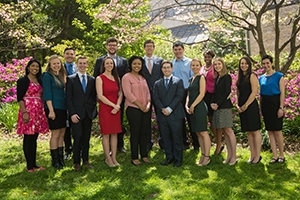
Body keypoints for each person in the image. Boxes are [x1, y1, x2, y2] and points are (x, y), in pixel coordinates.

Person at [94, 37, 128, 153]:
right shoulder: (99, 60)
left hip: (118, 97)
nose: (112, 47)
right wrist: (98, 97)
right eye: (110, 45)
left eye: (114, 45)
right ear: (106, 46)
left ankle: (120, 145)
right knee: (107, 124)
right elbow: (95, 77)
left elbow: (125, 79)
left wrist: (120, 99)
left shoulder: (123, 61)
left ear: (117, 47)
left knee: (118, 121)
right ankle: (108, 148)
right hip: (105, 98)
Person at [17, 58, 49, 172]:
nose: (35, 68)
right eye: (33, 66)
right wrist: (24, 112)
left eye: (37, 67)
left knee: (35, 137)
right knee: (28, 137)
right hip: (28, 111)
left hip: (38, 111)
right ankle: (29, 165)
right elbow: (20, 98)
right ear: (28, 67)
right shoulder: (23, 80)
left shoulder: (39, 80)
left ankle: (34, 163)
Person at [66, 56, 97, 171]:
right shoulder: (71, 79)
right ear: (77, 65)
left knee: (86, 138)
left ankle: (86, 160)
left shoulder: (92, 79)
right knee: (77, 137)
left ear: (87, 65)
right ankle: (76, 162)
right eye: (80, 63)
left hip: (88, 114)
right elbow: (68, 99)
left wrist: (93, 111)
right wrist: (72, 113)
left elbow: (93, 97)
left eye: (85, 63)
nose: (83, 65)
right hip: (76, 114)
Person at [153, 60, 185, 167]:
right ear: (162, 69)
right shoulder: (157, 83)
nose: (166, 69)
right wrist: (163, 108)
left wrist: (170, 109)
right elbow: (156, 97)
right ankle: (169, 157)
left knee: (177, 138)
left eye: (168, 67)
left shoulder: (178, 81)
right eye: (164, 68)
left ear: (172, 69)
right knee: (166, 137)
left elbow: (179, 96)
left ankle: (178, 159)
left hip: (175, 114)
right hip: (162, 115)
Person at [122, 56, 151, 166]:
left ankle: (144, 155)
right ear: (130, 65)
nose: (137, 66)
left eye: (139, 64)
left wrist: (148, 104)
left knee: (144, 132)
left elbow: (148, 92)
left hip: (145, 109)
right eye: (134, 64)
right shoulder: (126, 77)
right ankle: (134, 157)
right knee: (135, 133)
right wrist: (139, 105)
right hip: (134, 109)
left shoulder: (142, 78)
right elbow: (128, 94)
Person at [172, 41, 199, 151]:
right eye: (175, 49)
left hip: (188, 92)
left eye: (179, 49)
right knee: (179, 120)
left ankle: (196, 144)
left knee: (191, 118)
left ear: (183, 50)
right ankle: (184, 143)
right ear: (173, 51)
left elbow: (193, 79)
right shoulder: (171, 64)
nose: (178, 51)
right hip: (176, 94)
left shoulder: (189, 63)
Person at [96, 57, 122, 167]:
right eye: (107, 63)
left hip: (116, 109)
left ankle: (114, 158)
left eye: (111, 63)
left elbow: (120, 93)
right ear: (104, 65)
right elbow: (100, 96)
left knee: (115, 134)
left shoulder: (117, 78)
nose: (109, 65)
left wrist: (118, 105)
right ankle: (108, 158)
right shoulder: (99, 78)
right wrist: (113, 105)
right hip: (106, 109)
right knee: (106, 134)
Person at [211, 57, 237, 165]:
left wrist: (217, 104)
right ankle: (229, 155)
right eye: (215, 65)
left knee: (229, 131)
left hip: (224, 107)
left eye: (219, 64)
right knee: (225, 133)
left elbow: (227, 92)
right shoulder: (218, 77)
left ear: (223, 64)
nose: (217, 66)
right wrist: (213, 103)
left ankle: (234, 157)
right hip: (218, 107)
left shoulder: (227, 77)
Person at [259, 55, 285, 164]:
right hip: (265, 105)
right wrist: (261, 109)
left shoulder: (279, 76)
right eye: (264, 63)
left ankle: (282, 155)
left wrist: (281, 107)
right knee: (270, 131)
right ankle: (274, 156)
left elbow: (282, 93)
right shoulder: (261, 78)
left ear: (271, 63)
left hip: (275, 104)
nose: (266, 65)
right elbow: (261, 94)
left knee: (277, 131)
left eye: (267, 63)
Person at [42, 55, 67, 169]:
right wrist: (51, 110)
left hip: (62, 107)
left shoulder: (61, 76)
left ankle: (61, 158)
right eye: (54, 64)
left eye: (58, 63)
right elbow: (47, 93)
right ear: (50, 65)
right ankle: (55, 160)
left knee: (62, 133)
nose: (56, 65)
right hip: (53, 108)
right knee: (55, 134)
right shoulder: (47, 76)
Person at [236, 57, 262, 164]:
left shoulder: (252, 76)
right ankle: (252, 155)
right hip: (242, 106)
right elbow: (237, 92)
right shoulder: (240, 77)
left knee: (255, 130)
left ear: (249, 65)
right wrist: (237, 104)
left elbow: (254, 92)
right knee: (249, 132)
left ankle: (258, 155)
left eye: (246, 63)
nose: (243, 65)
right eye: (242, 63)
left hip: (250, 106)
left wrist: (246, 105)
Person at [186, 59, 211, 166]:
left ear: (200, 66)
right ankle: (202, 154)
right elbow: (188, 94)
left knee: (203, 132)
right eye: (193, 65)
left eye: (197, 65)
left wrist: (193, 105)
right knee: (197, 132)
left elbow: (201, 94)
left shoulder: (201, 78)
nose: (195, 67)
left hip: (199, 107)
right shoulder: (191, 79)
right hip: (191, 107)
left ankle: (207, 156)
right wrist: (186, 105)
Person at [142, 39, 164, 152]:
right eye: (147, 46)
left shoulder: (160, 61)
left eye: (151, 46)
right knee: (146, 119)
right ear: (144, 48)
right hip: (144, 94)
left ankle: (163, 142)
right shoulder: (140, 61)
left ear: (154, 48)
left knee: (161, 118)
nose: (149, 48)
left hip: (158, 94)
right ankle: (147, 143)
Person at [200, 50, 222, 155]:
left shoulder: (215, 68)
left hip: (213, 95)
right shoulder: (202, 68)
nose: (207, 58)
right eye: (205, 57)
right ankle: (217, 142)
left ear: (212, 57)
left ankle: (219, 144)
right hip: (204, 96)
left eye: (209, 56)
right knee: (210, 120)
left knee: (215, 122)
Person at [63, 47, 78, 160]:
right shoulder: (59, 67)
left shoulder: (78, 67)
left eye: (71, 54)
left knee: (76, 126)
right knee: (66, 127)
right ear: (64, 55)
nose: (69, 56)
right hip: (63, 101)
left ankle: (78, 149)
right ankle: (68, 149)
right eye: (67, 54)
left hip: (75, 101)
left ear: (74, 56)